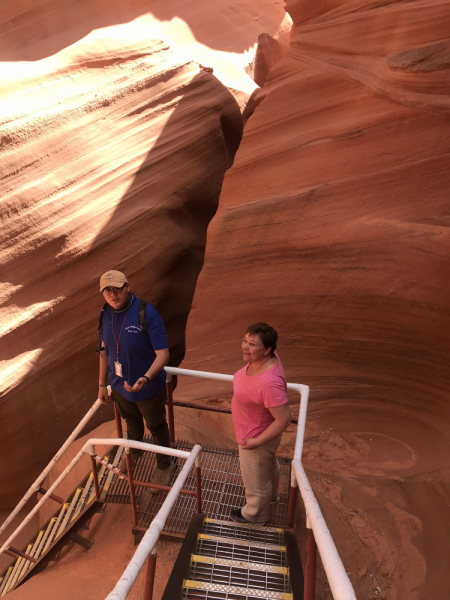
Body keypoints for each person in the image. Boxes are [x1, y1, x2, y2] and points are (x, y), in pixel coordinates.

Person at [97, 269, 174, 485]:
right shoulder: (105, 314)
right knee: (131, 421)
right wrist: (102, 383)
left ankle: (164, 465)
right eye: (107, 291)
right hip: (119, 386)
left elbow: (163, 355)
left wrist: (147, 378)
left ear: (127, 287)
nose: (113, 295)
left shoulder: (146, 313)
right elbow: (104, 351)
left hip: (147, 389)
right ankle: (136, 451)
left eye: (118, 289)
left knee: (157, 426)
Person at [230, 322, 292, 524]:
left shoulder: (269, 382)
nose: (245, 347)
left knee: (255, 483)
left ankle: (255, 516)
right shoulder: (268, 359)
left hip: (256, 438)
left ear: (267, 350)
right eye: (245, 341)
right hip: (261, 434)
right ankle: (272, 497)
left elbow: (284, 419)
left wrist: (256, 442)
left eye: (252, 344)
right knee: (267, 465)